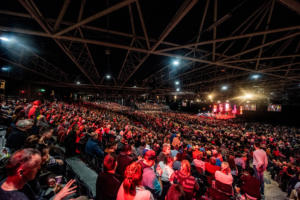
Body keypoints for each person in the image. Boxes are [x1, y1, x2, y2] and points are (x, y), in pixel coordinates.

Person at [0, 148, 76, 200]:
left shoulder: (18, 183)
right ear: (21, 172)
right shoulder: (17, 197)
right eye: (36, 166)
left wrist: (55, 193)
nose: (39, 168)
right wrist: (57, 198)